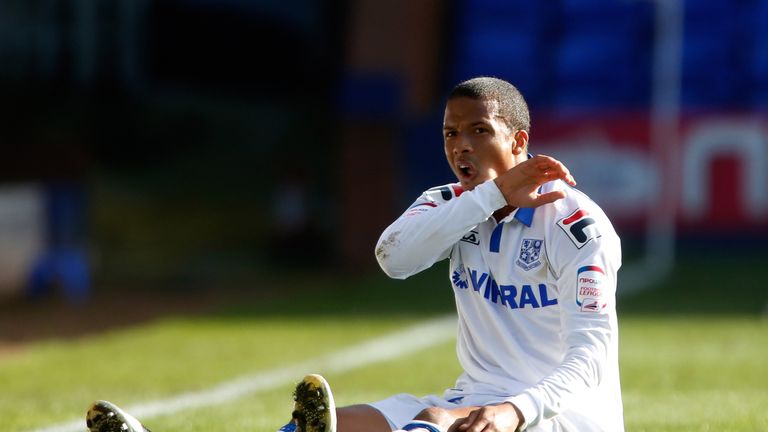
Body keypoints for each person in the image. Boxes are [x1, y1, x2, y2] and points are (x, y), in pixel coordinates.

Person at [83, 76, 623, 432]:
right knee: (324, 427)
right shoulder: (450, 205)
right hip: (474, 399)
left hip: (560, 417)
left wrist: (513, 410)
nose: (461, 145)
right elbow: (394, 258)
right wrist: (490, 196)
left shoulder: (576, 225)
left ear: (520, 143)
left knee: (430, 421)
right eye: (450, 132)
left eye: (480, 130)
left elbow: (591, 358)